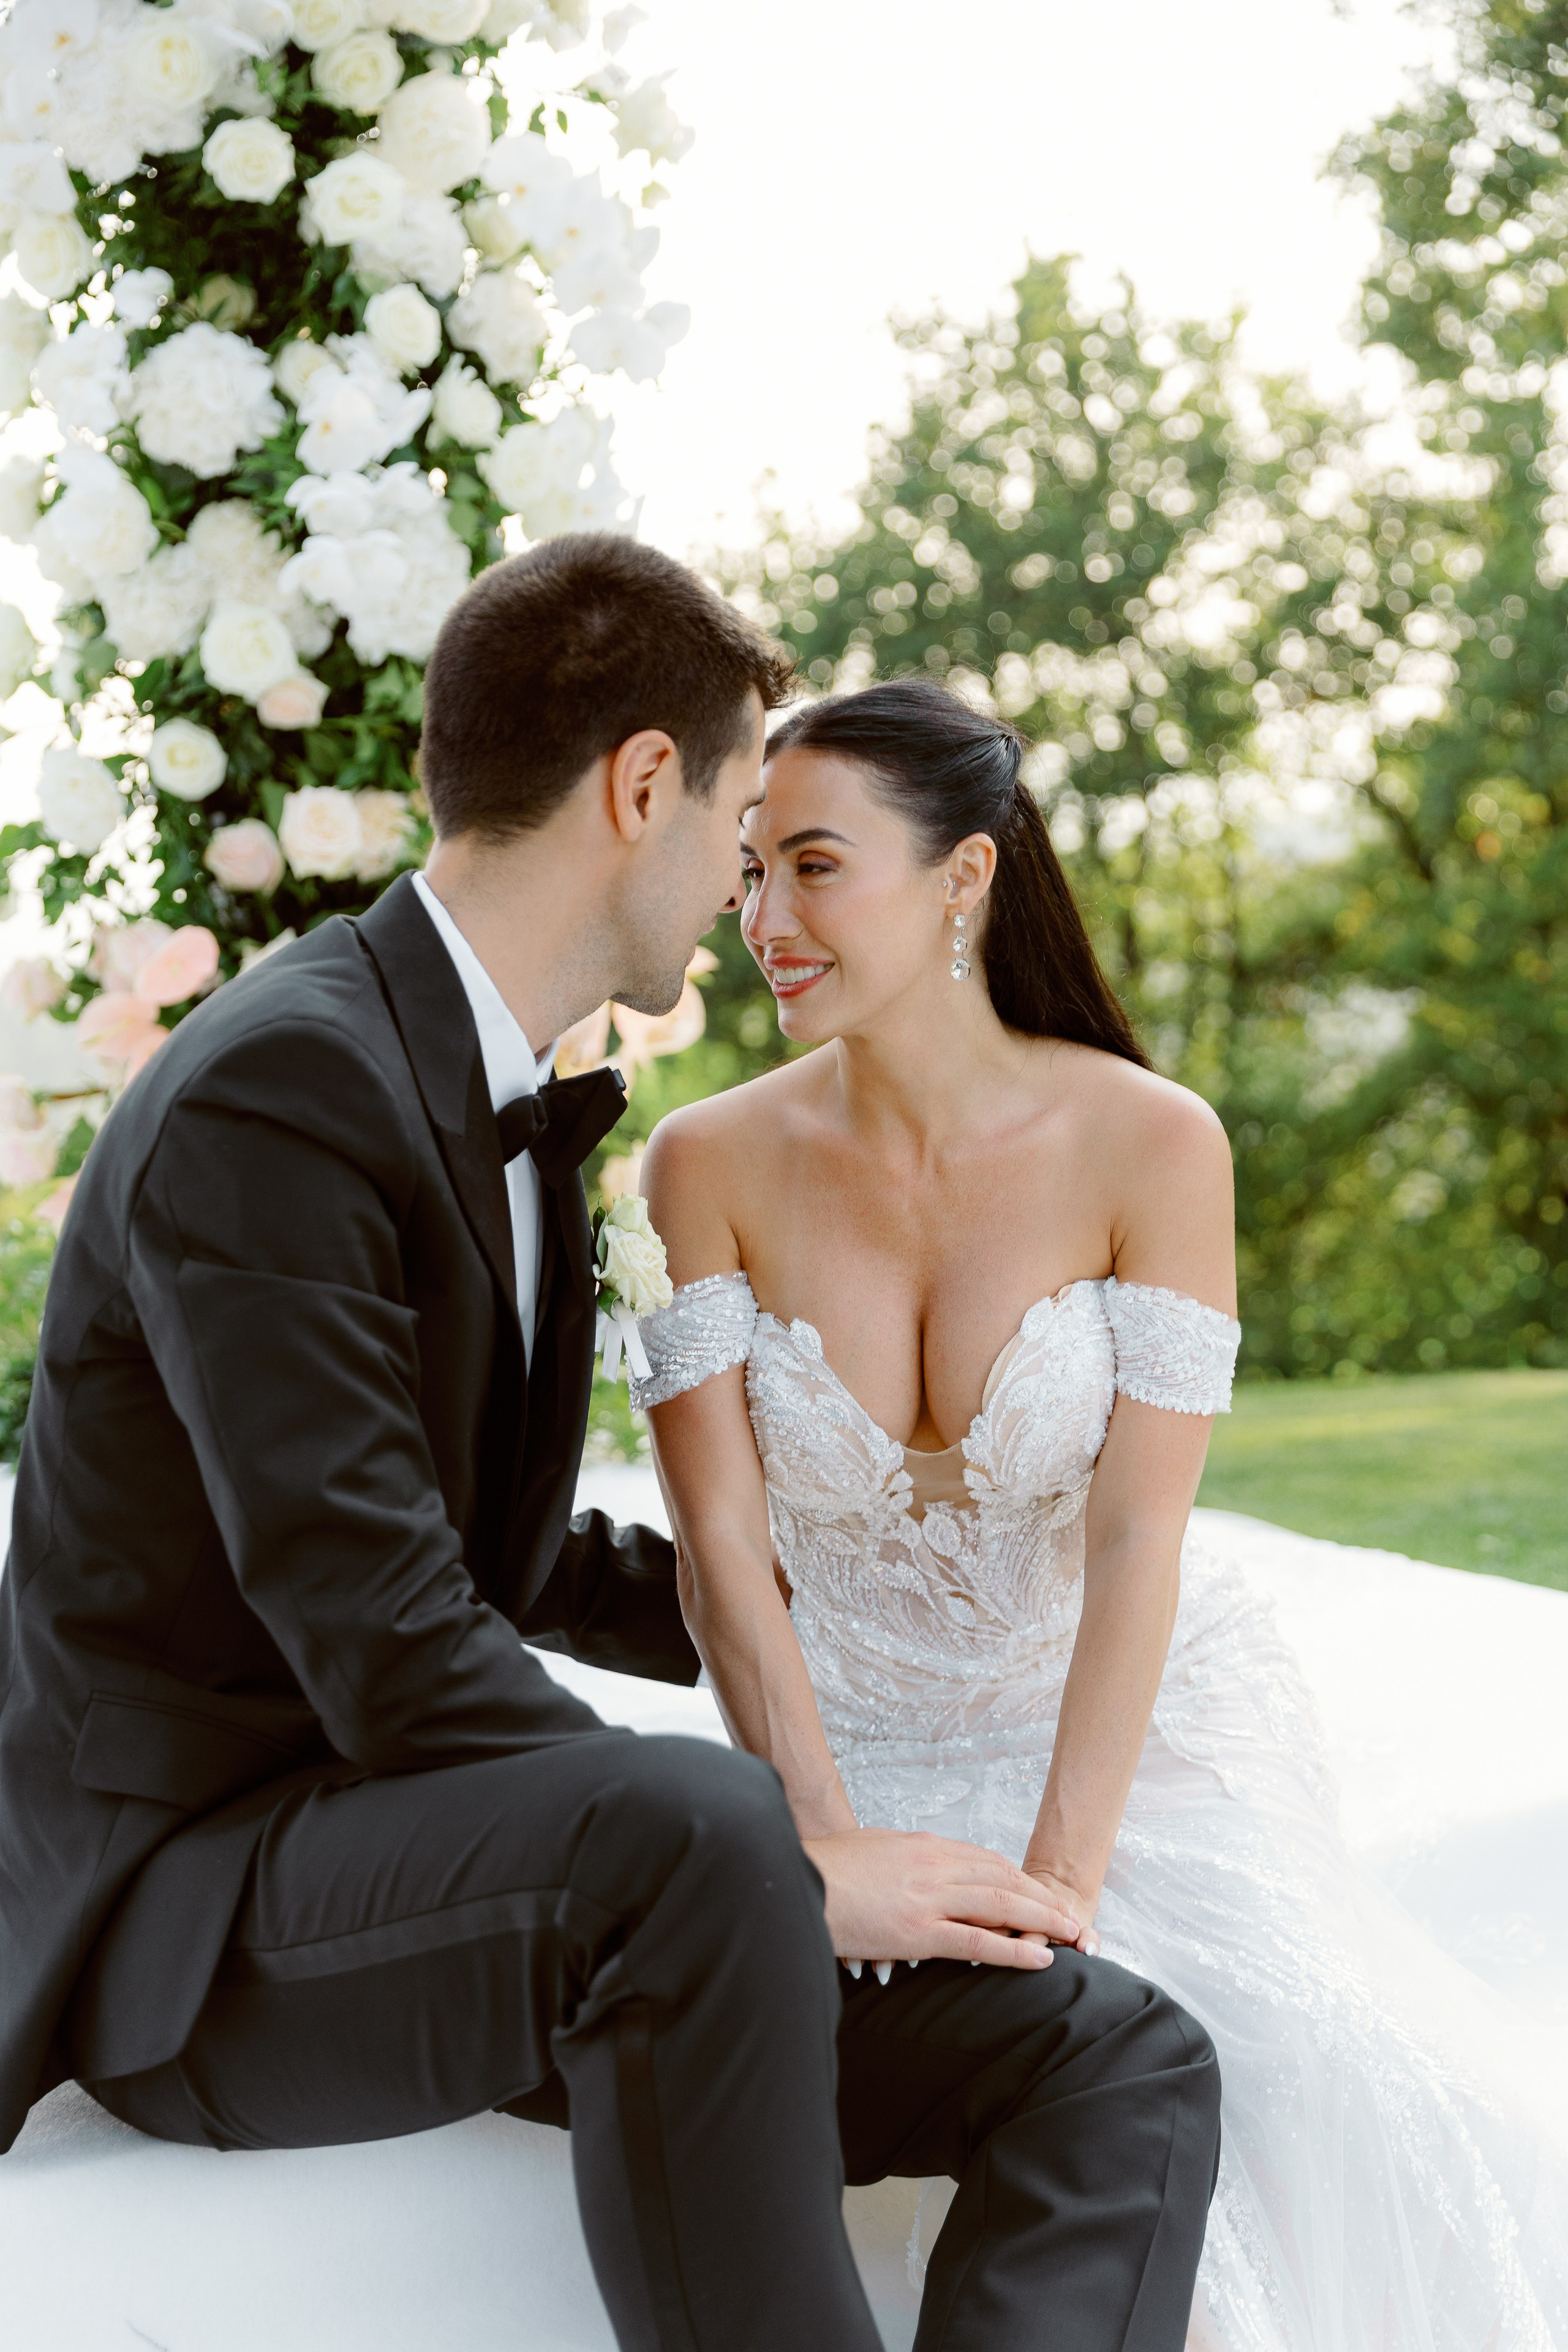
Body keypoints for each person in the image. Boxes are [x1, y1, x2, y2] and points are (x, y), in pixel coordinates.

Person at [0, 541, 1221, 2351]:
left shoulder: (481, 1083)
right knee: (695, 1827)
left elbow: (494, 1548)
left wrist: (834, 1573)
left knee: (1113, 2050)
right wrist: (796, 1863)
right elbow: (377, 1617)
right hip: (212, 1914)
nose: (746, 877)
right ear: (644, 783)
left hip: (418, 1861)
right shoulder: (289, 1085)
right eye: (742, 810)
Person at [635, 675, 1568, 2351]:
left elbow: (1142, 1537)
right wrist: (824, 1848)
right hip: (845, 1736)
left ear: (965, 880)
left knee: (1265, 2058)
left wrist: (1062, 1884)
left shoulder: (1156, 1144)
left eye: (816, 866)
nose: (764, 915)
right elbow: (723, 1552)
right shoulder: (701, 1163)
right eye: (752, 871)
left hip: (1121, 1721)